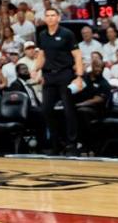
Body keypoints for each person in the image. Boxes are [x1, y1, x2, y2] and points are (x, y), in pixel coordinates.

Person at [34, 8, 84, 156]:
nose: (50, 18)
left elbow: (77, 56)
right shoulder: (42, 35)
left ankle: (72, 143)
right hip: (49, 76)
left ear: (58, 18)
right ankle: (57, 142)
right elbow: (42, 55)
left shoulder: (67, 34)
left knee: (69, 110)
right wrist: (35, 68)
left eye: (53, 15)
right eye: (47, 16)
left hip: (65, 74)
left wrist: (79, 76)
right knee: (46, 110)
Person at [74, 57, 111, 153]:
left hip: (96, 110)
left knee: (82, 112)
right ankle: (70, 143)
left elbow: (98, 99)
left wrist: (80, 104)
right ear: (92, 66)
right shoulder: (84, 78)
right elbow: (71, 89)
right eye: (97, 67)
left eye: (101, 67)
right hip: (78, 106)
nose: (99, 69)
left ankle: (88, 144)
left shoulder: (104, 83)